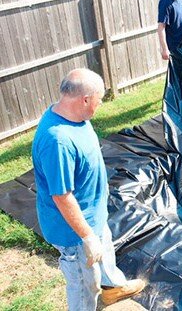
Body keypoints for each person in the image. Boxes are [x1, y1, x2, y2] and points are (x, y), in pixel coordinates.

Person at [32, 69, 146, 310]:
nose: (101, 104)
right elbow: (61, 196)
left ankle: (113, 287)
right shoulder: (58, 141)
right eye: (99, 99)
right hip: (73, 231)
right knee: (85, 284)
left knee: (105, 249)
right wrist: (86, 236)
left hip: (92, 214)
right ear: (84, 99)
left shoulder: (74, 115)